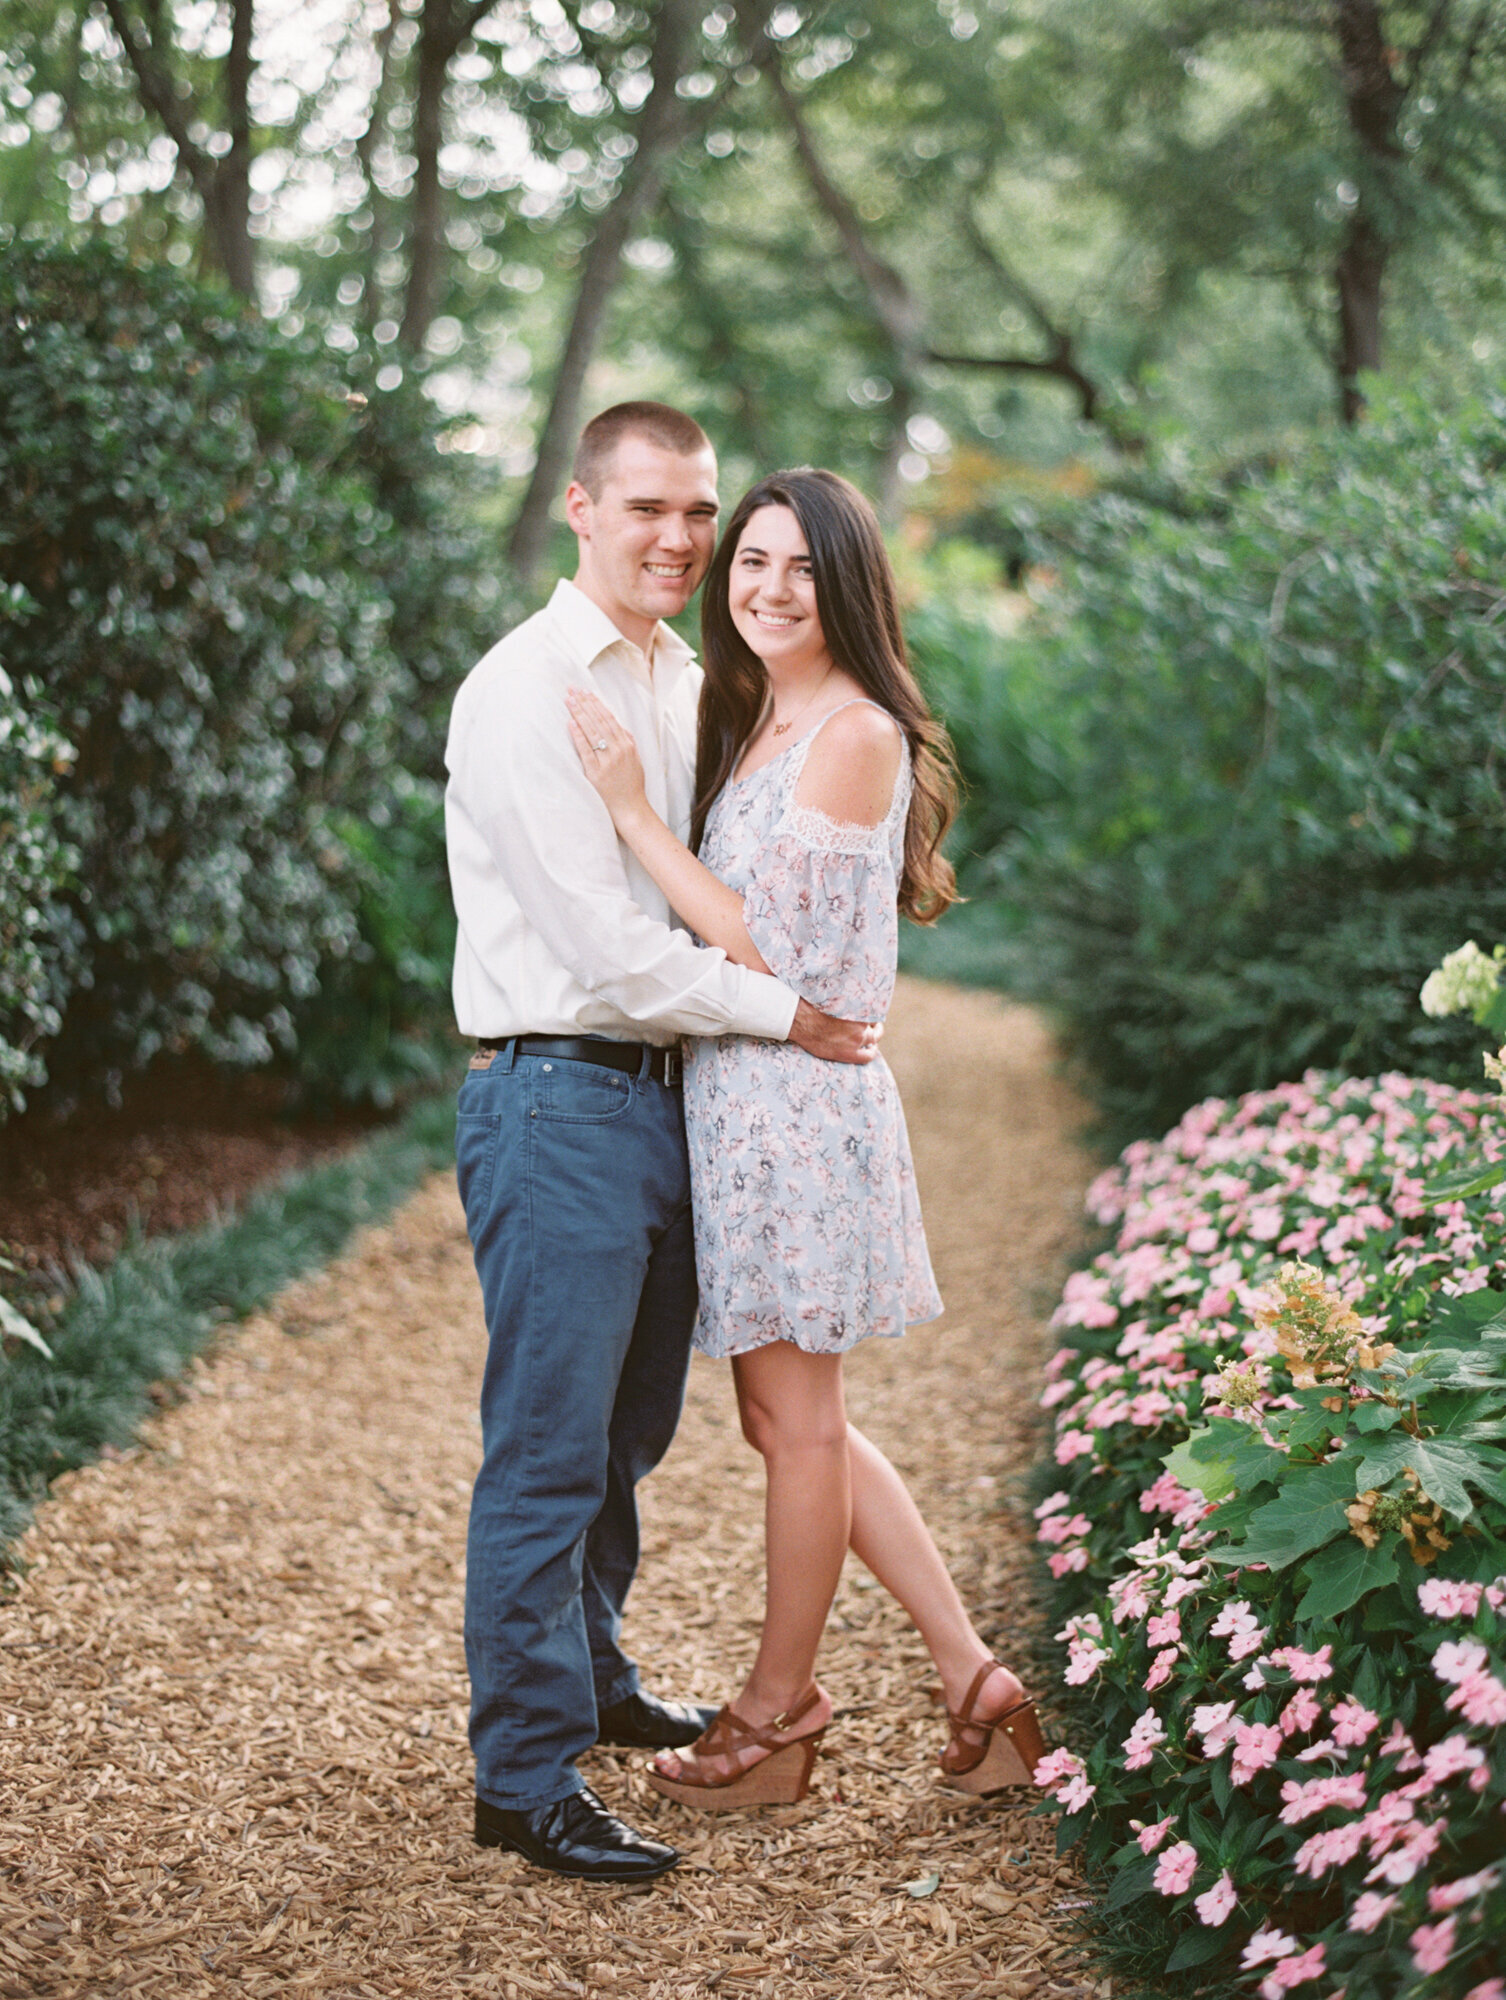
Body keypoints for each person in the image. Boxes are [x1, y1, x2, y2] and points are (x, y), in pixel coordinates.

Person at [565, 466, 1046, 1812]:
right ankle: (971, 1680)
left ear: (848, 588)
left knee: (797, 1421)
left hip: (793, 1113)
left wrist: (627, 811)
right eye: (751, 565)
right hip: (746, 1102)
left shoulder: (851, 732)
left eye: (799, 569)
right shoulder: (764, 712)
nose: (769, 589)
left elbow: (768, 944)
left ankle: (778, 1714)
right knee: (793, 1421)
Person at [444, 406, 879, 1883]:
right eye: (647, 509)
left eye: (697, 512)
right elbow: (608, 948)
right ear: (579, 506)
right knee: (549, 1450)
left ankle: (597, 1674)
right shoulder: (527, 688)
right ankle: (522, 1777)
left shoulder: (693, 677)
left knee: (628, 1438)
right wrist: (784, 1012)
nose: (679, 541)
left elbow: (720, 880)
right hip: (558, 1091)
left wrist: (773, 1005)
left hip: (669, 1099)